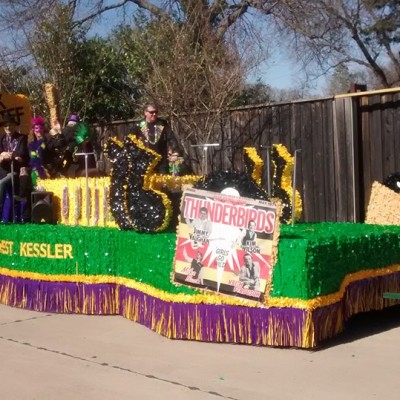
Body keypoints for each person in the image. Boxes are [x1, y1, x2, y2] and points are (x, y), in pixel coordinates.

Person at [132, 104, 179, 173]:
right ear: (145, 113)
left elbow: (171, 138)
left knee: (163, 181)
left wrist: (174, 151)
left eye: (156, 112)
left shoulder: (162, 123)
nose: (154, 114)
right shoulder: (138, 125)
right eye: (151, 112)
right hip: (145, 161)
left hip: (161, 160)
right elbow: (130, 141)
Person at [0, 115, 28, 219]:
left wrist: (12, 154)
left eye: (10, 125)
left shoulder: (21, 138)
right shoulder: (1, 138)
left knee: (2, 183)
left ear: (14, 126)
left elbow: (22, 152)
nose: (8, 127)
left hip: (15, 170)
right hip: (2, 170)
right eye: (6, 125)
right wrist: (2, 155)